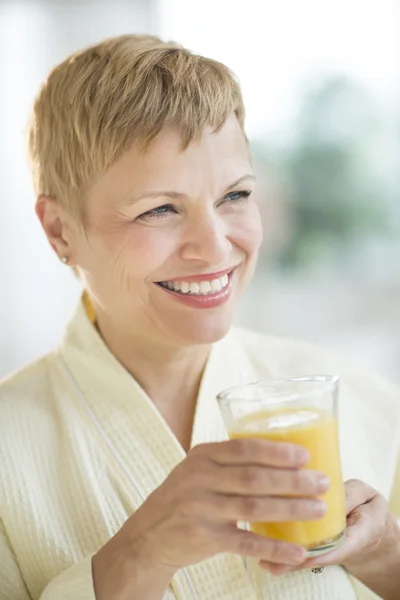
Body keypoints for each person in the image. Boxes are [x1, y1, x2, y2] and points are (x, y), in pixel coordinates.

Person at [0, 34, 399, 600]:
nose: (214, 248)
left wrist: (386, 555)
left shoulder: (366, 403)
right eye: (160, 209)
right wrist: (137, 556)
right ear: (60, 230)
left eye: (234, 195)